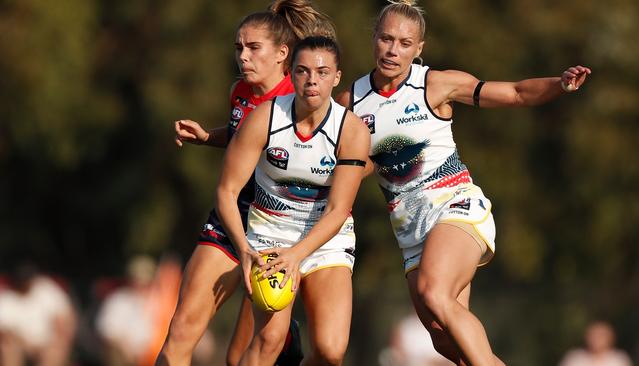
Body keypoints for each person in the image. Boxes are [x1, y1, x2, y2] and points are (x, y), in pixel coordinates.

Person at [336, 1, 591, 365]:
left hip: (454, 206)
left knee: (433, 292)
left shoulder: (436, 85)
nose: (393, 50)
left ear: (419, 49)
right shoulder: (351, 101)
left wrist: (560, 85)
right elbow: (351, 167)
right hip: (409, 230)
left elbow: (516, 93)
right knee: (445, 341)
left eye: (405, 43)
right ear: (373, 38)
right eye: (386, 38)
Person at [157, 2, 336, 365]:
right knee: (181, 330)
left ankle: (285, 341)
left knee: (242, 356)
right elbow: (246, 141)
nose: (243, 56)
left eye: (254, 48)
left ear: (282, 54)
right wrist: (208, 137)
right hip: (232, 217)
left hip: (280, 228)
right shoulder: (240, 91)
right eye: (239, 47)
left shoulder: (301, 97)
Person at [215, 36, 369, 366]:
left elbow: (338, 209)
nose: (312, 80)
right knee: (269, 339)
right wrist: (244, 249)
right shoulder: (265, 118)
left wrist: (297, 256)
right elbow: (227, 191)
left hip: (326, 238)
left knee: (330, 351)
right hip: (270, 236)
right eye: (302, 71)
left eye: (322, 72)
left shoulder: (351, 130)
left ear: (337, 77)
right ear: (292, 74)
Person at [0, 261, 77, 366]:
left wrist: (60, 339)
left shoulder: (47, 289)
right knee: (8, 349)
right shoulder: (6, 297)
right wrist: (25, 344)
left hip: (49, 343)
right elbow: (5, 331)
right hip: (20, 344)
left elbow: (64, 318)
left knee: (55, 351)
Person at [559, 321, 632, 366]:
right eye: (593, 335)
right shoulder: (574, 358)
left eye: (601, 336)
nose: (596, 339)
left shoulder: (619, 359)